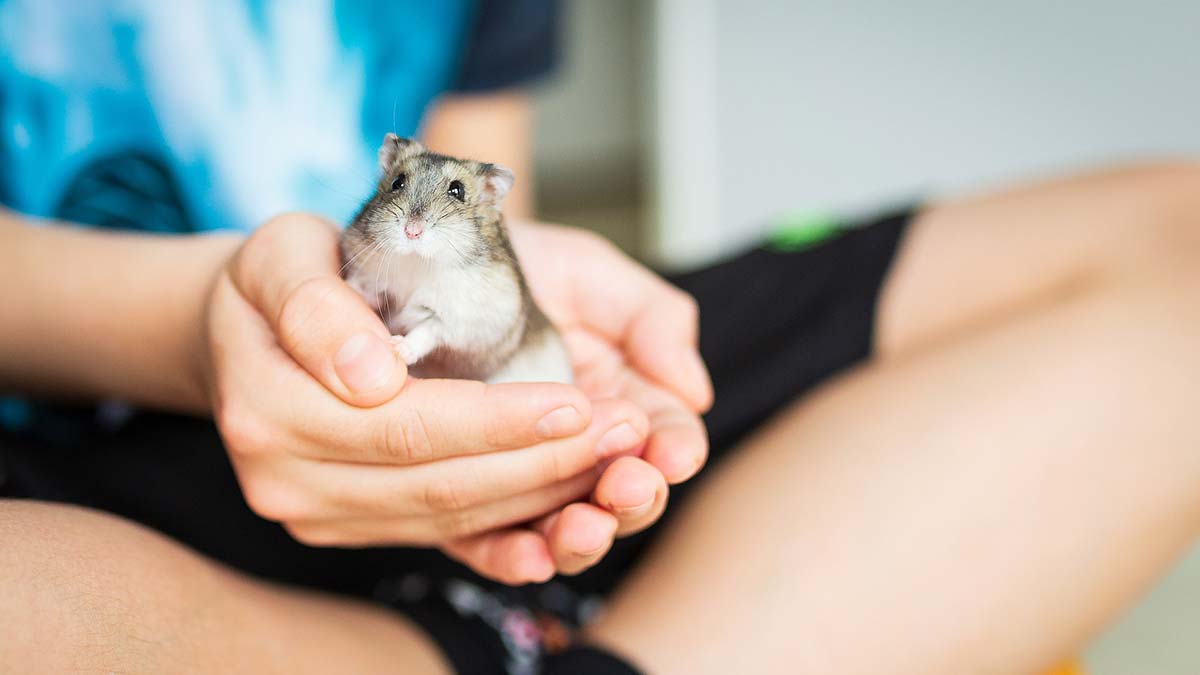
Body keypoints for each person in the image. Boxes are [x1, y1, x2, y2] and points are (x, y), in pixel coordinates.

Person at [2, 2, 1200, 674]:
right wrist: (200, 321)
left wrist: (528, 313)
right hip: (88, 441)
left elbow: (488, 201)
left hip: (474, 377)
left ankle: (526, 646)